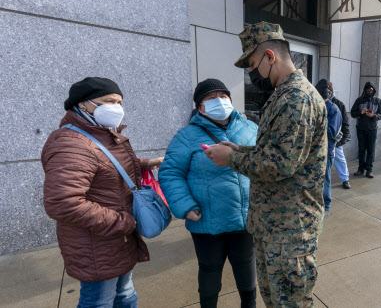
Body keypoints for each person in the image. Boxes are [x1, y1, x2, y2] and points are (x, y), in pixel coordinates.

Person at [203, 22, 327, 307]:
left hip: (290, 231)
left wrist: (230, 159)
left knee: (289, 303)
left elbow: (279, 164)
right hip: (274, 227)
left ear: (270, 56)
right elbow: (276, 150)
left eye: (252, 63)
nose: (251, 72)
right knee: (275, 301)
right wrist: (240, 149)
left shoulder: (297, 99)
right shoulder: (284, 94)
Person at [42, 77, 164, 308]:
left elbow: (105, 164)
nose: (117, 108)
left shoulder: (101, 133)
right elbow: (63, 202)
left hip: (116, 238)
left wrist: (145, 164)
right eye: (109, 101)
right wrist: (123, 222)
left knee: (125, 295)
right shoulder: (71, 143)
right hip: (97, 243)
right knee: (99, 302)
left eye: (119, 102)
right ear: (82, 104)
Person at [158, 79, 258, 308]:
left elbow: (263, 163)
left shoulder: (250, 128)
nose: (220, 102)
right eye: (212, 98)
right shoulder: (186, 136)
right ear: (200, 107)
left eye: (224, 96)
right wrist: (185, 206)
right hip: (205, 220)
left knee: (246, 267)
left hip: (245, 217)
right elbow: (170, 173)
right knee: (210, 271)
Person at [315, 79, 342, 216]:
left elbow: (331, 132)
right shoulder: (316, 106)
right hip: (315, 150)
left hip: (326, 150)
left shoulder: (333, 109)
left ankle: (326, 205)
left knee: (325, 178)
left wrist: (318, 124)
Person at [350, 82, 381, 178]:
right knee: (361, 149)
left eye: (371, 90)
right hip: (361, 129)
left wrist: (373, 115)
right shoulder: (359, 100)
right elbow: (353, 113)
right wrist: (361, 113)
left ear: (373, 90)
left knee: (371, 150)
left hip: (372, 129)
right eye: (367, 90)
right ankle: (361, 169)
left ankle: (369, 170)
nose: (369, 91)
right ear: (364, 90)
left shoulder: (378, 100)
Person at [329, 82, 352, 189]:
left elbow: (345, 122)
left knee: (340, 159)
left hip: (336, 138)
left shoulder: (339, 104)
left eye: (329, 91)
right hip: (323, 138)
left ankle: (345, 179)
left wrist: (344, 137)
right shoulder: (317, 102)